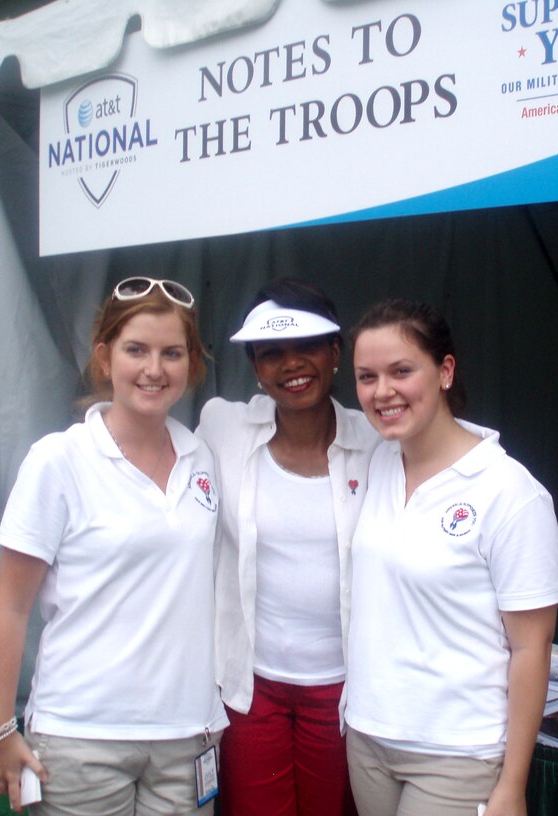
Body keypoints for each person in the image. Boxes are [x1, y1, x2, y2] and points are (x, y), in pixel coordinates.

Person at [0, 277, 228, 815]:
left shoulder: (202, 460)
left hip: (188, 732)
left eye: (172, 353)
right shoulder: (59, 460)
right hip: (80, 738)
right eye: (135, 350)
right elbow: (11, 605)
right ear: (104, 357)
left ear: (191, 363)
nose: (154, 369)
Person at [345, 298, 558, 816]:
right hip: (368, 737)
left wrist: (513, 784)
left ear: (445, 371)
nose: (383, 392)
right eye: (366, 376)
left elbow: (532, 650)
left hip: (456, 751)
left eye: (402, 371)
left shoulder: (510, 492)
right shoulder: (376, 464)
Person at [196, 278, 379, 816]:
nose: (291, 364)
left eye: (307, 347)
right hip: (252, 687)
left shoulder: (377, 442)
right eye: (271, 353)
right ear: (255, 366)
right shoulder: (223, 426)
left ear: (336, 352)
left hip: (344, 686)